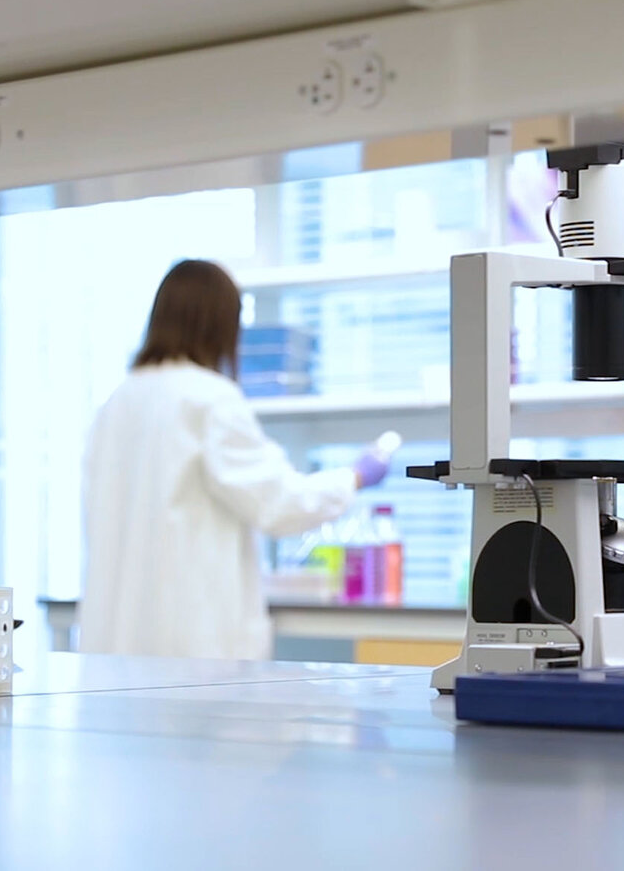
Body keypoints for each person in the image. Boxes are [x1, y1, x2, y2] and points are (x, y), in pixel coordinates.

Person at [80, 259, 398, 660]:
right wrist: (354, 477)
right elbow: (279, 503)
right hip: (191, 644)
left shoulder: (115, 402)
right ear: (220, 325)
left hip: (115, 643)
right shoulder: (210, 399)